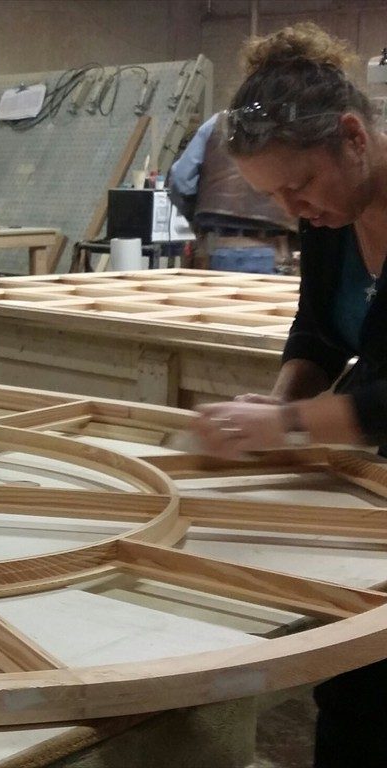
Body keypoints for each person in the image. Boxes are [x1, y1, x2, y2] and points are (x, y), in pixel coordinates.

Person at [188, 22, 387, 768]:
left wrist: (287, 428)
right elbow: (321, 333)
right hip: (374, 485)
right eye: (279, 197)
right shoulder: (335, 217)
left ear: (352, 137)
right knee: (356, 687)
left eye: (299, 186)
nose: (295, 209)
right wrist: (275, 408)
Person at [169, 110, 296, 273]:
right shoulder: (292, 125)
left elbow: (181, 178)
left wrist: (195, 215)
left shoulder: (217, 123)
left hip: (220, 247)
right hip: (272, 249)